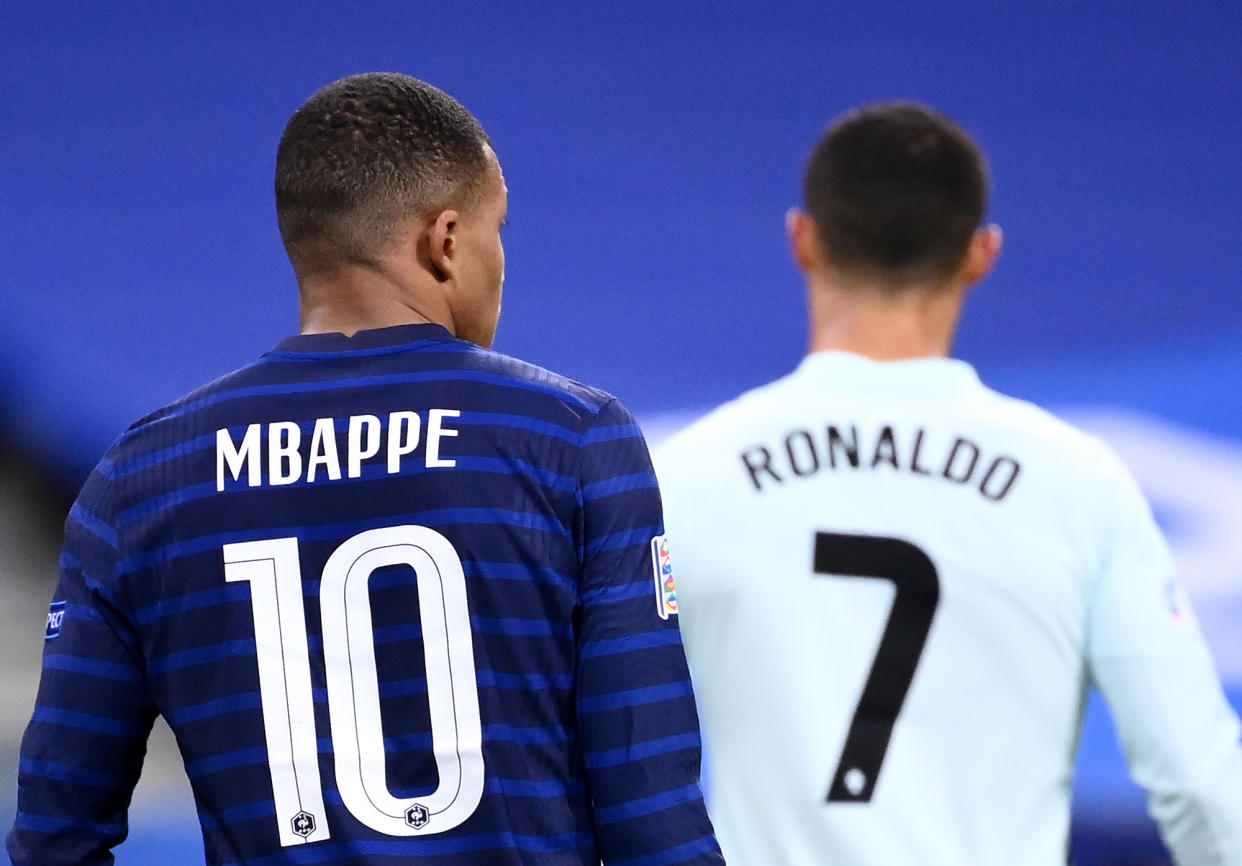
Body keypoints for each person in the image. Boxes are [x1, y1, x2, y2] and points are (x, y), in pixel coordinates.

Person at [7, 72, 723, 866]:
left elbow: (54, 837)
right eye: (498, 230)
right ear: (445, 241)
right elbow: (652, 808)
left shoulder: (138, 480)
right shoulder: (570, 440)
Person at [654, 102, 1242, 865]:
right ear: (980, 252)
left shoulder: (688, 474)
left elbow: (598, 755)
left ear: (803, 238)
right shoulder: (1078, 484)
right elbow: (1202, 789)